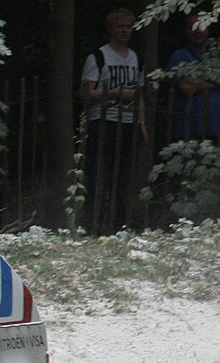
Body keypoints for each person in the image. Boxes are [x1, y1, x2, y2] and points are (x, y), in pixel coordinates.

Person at [80, 8, 147, 235]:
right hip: (103, 121)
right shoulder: (98, 57)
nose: (124, 31)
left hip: (128, 122)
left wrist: (142, 122)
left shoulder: (137, 58)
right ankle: (92, 225)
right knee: (99, 175)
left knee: (124, 177)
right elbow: (87, 92)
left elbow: (139, 94)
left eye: (128, 27)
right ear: (110, 29)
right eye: (120, 26)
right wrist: (117, 93)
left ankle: (119, 226)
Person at [167, 13, 220, 143]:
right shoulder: (179, 57)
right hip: (190, 130)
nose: (198, 31)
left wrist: (203, 77)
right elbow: (186, 86)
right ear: (186, 31)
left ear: (208, 28)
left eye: (201, 26)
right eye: (193, 27)